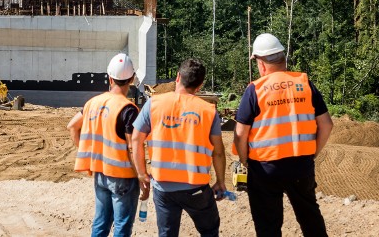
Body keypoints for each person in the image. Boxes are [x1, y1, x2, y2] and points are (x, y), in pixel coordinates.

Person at [234, 33, 334, 237]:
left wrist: (245, 160)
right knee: (310, 217)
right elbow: (327, 125)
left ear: (261, 63)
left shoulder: (255, 90)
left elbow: (240, 134)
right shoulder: (305, 84)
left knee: (268, 225)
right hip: (301, 167)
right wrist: (312, 153)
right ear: (283, 58)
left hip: (264, 170)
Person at [131, 58, 226, 237]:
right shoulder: (208, 110)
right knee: (209, 230)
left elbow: (136, 139)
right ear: (199, 86)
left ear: (177, 77)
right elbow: (218, 152)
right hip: (196, 187)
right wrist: (221, 181)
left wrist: (142, 173)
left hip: (163, 187)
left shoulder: (154, 104)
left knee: (167, 234)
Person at [67, 53, 149, 237]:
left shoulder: (91, 103)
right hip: (123, 177)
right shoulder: (128, 109)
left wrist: (86, 151)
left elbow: (72, 126)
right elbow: (132, 147)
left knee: (101, 222)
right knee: (122, 225)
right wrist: (142, 176)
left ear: (110, 78)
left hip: (100, 173)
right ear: (132, 79)